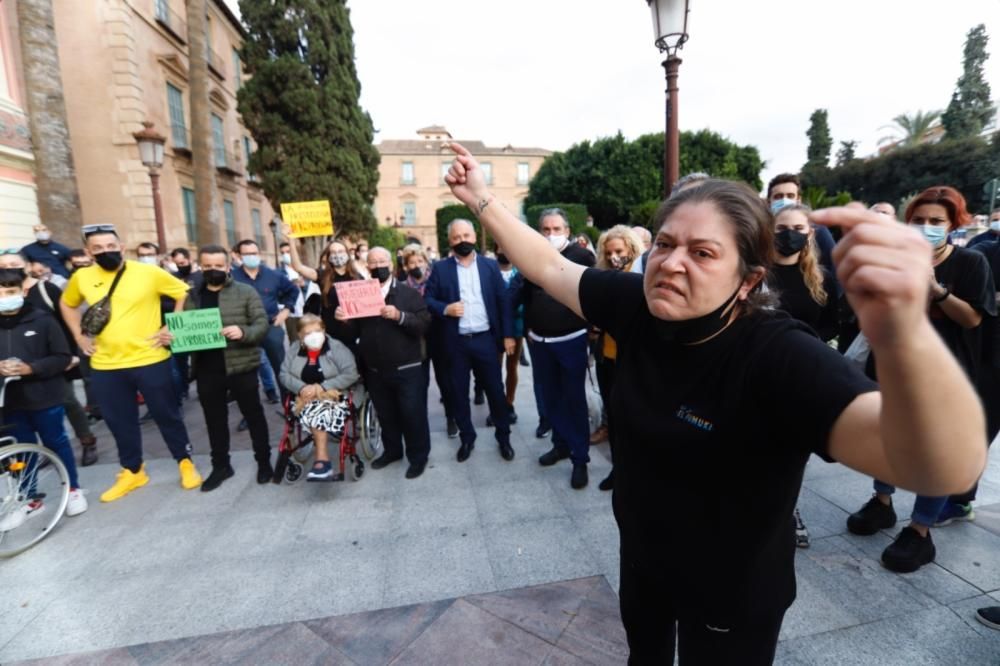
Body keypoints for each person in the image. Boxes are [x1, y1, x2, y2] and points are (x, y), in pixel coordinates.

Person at [443, 142, 986, 663]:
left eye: (703, 253)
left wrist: (904, 331)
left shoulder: (778, 354)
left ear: (748, 280)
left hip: (734, 590)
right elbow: (550, 267)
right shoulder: (638, 306)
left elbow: (941, 465)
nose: (672, 263)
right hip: (644, 562)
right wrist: (480, 199)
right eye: (664, 243)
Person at [845, 186, 994, 573]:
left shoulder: (971, 263)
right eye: (919, 221)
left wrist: (936, 289)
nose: (926, 228)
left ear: (953, 224)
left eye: (936, 222)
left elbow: (973, 318)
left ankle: (921, 530)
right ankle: (881, 503)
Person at [60, 224, 203, 501]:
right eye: (98, 248)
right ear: (89, 252)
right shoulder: (82, 277)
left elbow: (182, 292)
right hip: (105, 364)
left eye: (111, 246)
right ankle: (133, 470)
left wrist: (171, 326)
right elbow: (67, 304)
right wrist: (79, 336)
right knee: (119, 421)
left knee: (167, 415)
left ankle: (185, 461)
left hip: (150, 358)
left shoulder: (148, 272)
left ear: (122, 247)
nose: (106, 252)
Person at [509, 209, 596, 488]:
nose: (550, 234)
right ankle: (560, 445)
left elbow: (592, 295)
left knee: (574, 400)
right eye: (545, 229)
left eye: (556, 229)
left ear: (567, 231)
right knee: (551, 398)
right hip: (540, 342)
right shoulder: (532, 259)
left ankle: (580, 458)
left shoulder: (582, 257)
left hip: (570, 339)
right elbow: (517, 295)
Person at [179, 245, 273, 491]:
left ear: (228, 267)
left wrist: (243, 332)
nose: (213, 270)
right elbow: (183, 333)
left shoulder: (245, 292)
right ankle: (221, 466)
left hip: (241, 366)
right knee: (214, 420)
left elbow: (261, 324)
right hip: (207, 369)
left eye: (218, 266)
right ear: (201, 267)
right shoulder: (192, 297)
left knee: (254, 416)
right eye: (207, 266)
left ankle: (264, 461)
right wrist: (174, 337)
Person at [0, 269, 87, 530]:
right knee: (23, 449)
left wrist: (31, 368)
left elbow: (62, 357)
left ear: (23, 291)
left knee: (56, 442)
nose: (5, 297)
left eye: (11, 292)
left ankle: (72, 489)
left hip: (45, 395)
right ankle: (29, 498)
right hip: (11, 401)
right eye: (0, 293)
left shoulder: (43, 320)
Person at [425, 221, 516, 464]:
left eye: (466, 235)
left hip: (486, 339)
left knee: (496, 391)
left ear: (475, 236)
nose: (461, 240)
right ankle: (467, 437)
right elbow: (428, 299)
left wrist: (508, 335)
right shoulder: (440, 268)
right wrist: (445, 308)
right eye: (456, 237)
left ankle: (504, 437)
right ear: (450, 241)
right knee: (458, 393)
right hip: (455, 342)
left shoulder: (489, 266)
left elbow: (503, 301)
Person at [337, 247, 432, 478]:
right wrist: (345, 320)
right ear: (367, 266)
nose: (378, 265)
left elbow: (424, 324)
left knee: (412, 413)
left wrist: (400, 316)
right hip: (376, 370)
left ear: (391, 264)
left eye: (382, 261)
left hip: (407, 368)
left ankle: (418, 457)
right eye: (373, 262)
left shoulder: (408, 294)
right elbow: (355, 332)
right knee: (386, 414)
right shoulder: (358, 293)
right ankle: (392, 451)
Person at [0, 252, 98, 466]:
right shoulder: (3, 291)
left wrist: (72, 353)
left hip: (54, 358)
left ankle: (86, 440)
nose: (9, 267)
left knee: (67, 401)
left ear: (26, 265)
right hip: (18, 369)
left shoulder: (45, 289)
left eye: (14, 264)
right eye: (4, 265)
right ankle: (38, 451)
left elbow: (66, 320)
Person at [592, 226, 644, 492]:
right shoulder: (605, 279)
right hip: (607, 359)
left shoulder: (643, 278)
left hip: (633, 361)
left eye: (619, 251)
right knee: (613, 415)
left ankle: (638, 470)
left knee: (635, 417)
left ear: (631, 250)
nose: (614, 257)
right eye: (609, 252)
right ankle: (618, 470)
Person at [279, 314, 359, 481]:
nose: (313, 336)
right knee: (312, 407)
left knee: (318, 409)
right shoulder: (295, 349)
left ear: (323, 330)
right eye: (308, 333)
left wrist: (321, 387)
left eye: (317, 331)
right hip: (304, 398)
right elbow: (284, 374)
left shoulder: (336, 347)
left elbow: (351, 374)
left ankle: (322, 460)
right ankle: (322, 461)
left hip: (336, 396)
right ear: (300, 336)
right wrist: (301, 387)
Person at [402, 243, 459, 437]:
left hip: (440, 336)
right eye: (412, 262)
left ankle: (452, 418)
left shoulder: (437, 281)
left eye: (420, 261)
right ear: (406, 267)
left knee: (446, 381)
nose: (417, 265)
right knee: (420, 383)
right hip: (416, 340)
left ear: (427, 263)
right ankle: (420, 422)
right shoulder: (403, 288)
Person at [231, 239, 297, 402]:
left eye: (254, 253)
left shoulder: (273, 275)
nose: (251, 257)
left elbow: (293, 291)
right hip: (244, 329)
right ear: (239, 256)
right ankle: (250, 412)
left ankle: (289, 407)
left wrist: (286, 310)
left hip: (271, 326)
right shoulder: (231, 278)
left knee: (281, 367)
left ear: (259, 254)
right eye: (246, 254)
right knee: (247, 373)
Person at [284, 231, 362, 354]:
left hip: (354, 334)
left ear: (347, 254)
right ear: (329, 256)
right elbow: (298, 267)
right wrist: (291, 241)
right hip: (332, 334)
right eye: (334, 252)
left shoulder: (358, 277)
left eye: (341, 251)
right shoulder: (322, 276)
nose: (337, 255)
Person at [770, 204, 839, 342]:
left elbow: (831, 325)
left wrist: (809, 343)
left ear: (810, 234)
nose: (789, 234)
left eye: (798, 228)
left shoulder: (821, 278)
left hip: (804, 356)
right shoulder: (756, 275)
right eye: (782, 228)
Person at [767, 173, 838, 281]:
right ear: (769, 201)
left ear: (798, 200)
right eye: (778, 196)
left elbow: (834, 266)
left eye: (790, 196)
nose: (784, 200)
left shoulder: (819, 230)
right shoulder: (759, 230)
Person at [491, 244, 525, 427]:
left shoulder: (520, 272)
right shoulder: (490, 270)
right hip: (494, 330)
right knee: (494, 368)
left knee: (512, 367)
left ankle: (509, 403)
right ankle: (496, 405)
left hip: (516, 328)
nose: (505, 250)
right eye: (501, 247)